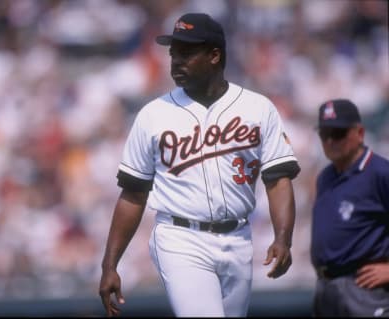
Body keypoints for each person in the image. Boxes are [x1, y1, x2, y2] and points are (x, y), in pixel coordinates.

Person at [99, 13, 301, 317]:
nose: (176, 62)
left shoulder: (258, 108)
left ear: (214, 55)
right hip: (180, 237)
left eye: (187, 53)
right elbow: (133, 194)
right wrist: (110, 264)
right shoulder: (153, 115)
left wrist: (283, 237)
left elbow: (278, 179)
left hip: (238, 238)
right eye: (173, 54)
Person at [311, 99, 389, 317]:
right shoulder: (325, 176)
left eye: (338, 134)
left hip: (364, 289)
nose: (330, 141)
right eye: (324, 134)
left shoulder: (380, 173)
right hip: (326, 288)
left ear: (360, 132)